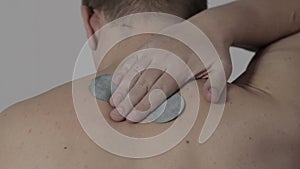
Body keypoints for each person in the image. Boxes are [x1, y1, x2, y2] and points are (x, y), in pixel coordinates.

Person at [0, 0, 300, 168]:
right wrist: (221, 23)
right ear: (200, 10)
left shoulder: (12, 134)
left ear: (90, 21)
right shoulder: (278, 108)